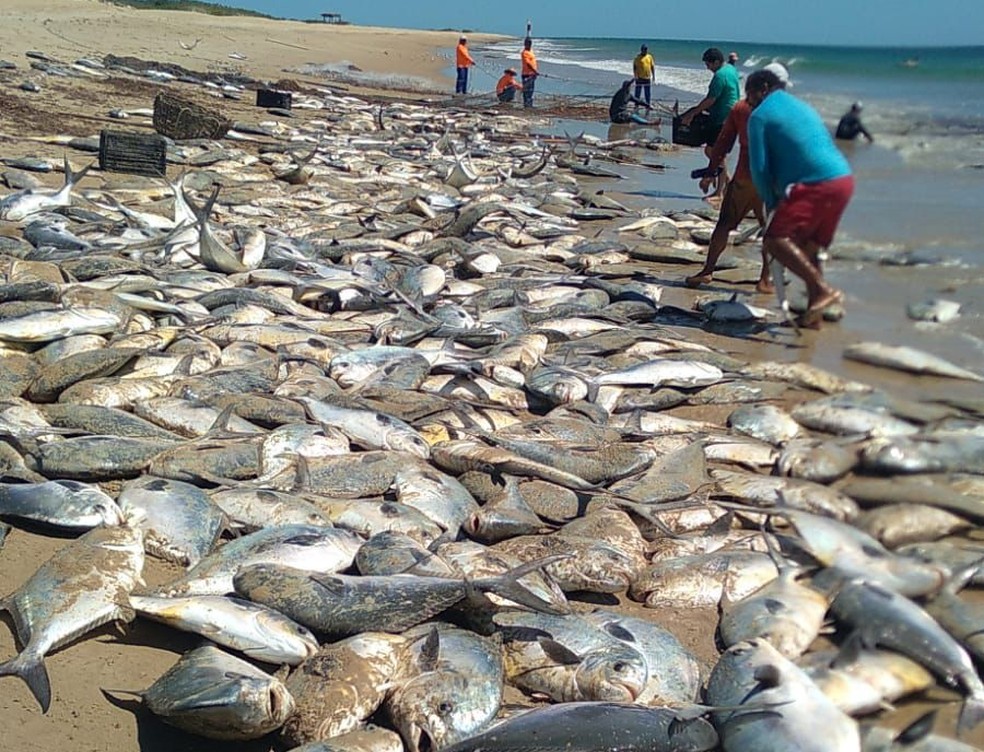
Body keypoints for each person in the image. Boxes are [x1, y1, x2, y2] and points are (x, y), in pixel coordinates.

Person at [746, 67, 854, 328]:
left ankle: (822, 289)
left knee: (774, 240)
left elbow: (759, 168)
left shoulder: (760, 116)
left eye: (749, 97)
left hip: (815, 183)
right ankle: (813, 316)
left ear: (762, 89)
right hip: (843, 178)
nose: (748, 103)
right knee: (810, 248)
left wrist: (770, 202)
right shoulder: (802, 106)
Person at [685, 62, 793, 292]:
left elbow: (723, 143)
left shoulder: (741, 108)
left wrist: (710, 172)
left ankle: (707, 271)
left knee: (724, 226)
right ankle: (765, 279)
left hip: (745, 179)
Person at [679, 48, 742, 198]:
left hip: (724, 120)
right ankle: (727, 181)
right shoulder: (729, 69)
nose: (707, 67)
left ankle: (720, 191)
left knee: (717, 155)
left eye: (708, 64)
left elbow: (710, 100)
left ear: (717, 62)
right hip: (730, 117)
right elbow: (733, 66)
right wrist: (733, 59)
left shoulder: (719, 77)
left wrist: (692, 114)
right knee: (711, 151)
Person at [520, 37, 538, 108]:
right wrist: (535, 71)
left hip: (532, 75)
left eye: (530, 43)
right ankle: (527, 106)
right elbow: (528, 64)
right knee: (527, 91)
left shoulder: (531, 51)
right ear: (525, 44)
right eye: (528, 43)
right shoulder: (524, 53)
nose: (529, 45)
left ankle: (529, 105)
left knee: (531, 91)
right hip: (527, 75)